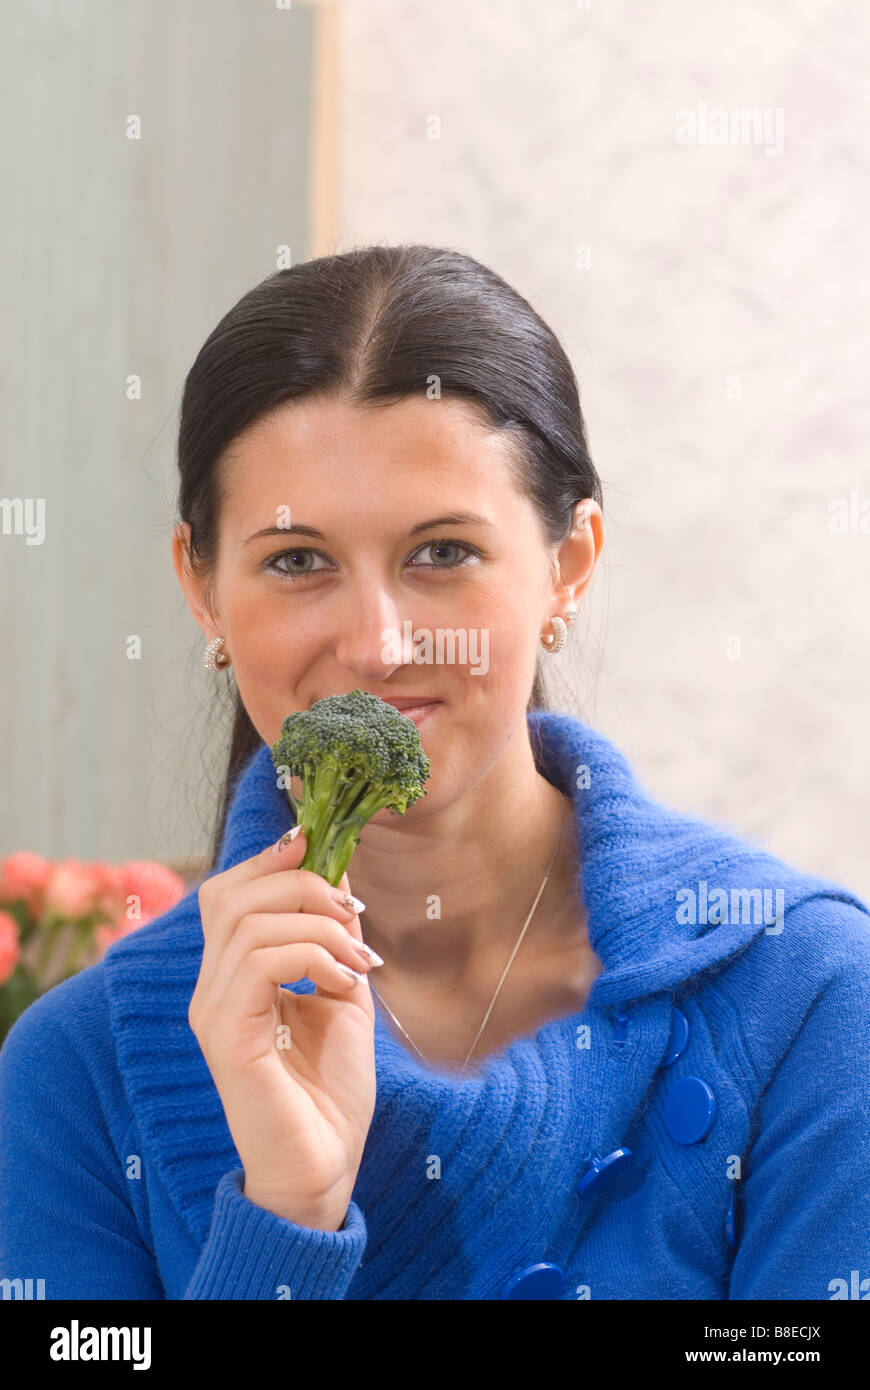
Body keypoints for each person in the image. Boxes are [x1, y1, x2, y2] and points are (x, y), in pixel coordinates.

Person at [1, 244, 869, 1301]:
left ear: (569, 563)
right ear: (202, 586)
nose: (374, 643)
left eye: (443, 552)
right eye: (296, 560)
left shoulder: (810, 997)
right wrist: (287, 1214)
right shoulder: (73, 1078)